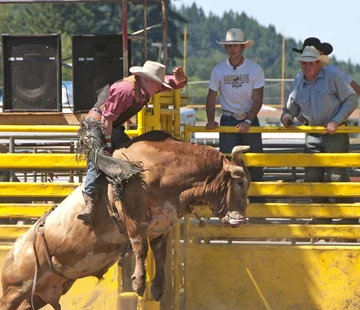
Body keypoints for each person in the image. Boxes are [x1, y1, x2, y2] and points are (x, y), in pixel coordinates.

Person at [77, 60, 188, 225]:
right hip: (97, 124)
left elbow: (175, 83)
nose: (160, 88)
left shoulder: (147, 86)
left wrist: (182, 79)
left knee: (131, 155)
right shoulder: (126, 90)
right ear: (147, 80)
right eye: (158, 84)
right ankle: (90, 201)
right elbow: (106, 120)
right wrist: (108, 145)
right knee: (98, 157)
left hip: (112, 126)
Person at [280, 46, 358, 224]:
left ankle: (348, 218)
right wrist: (286, 117)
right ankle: (323, 215)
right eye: (303, 63)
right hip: (313, 134)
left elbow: (352, 98)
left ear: (318, 63)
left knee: (336, 177)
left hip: (335, 133)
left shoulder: (332, 77)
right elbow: (291, 108)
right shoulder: (299, 81)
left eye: (309, 63)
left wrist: (336, 121)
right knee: (311, 178)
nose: (306, 66)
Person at [205, 28, 265, 202]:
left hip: (249, 118)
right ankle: (229, 205)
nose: (232, 49)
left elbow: (258, 99)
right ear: (226, 48)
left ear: (242, 47)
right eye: (229, 46)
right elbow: (211, 97)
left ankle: (258, 206)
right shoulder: (218, 70)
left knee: (254, 163)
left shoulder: (255, 69)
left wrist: (248, 119)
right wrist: (210, 120)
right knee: (228, 166)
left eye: (235, 46)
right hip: (228, 119)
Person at [292, 37, 360, 97]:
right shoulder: (300, 78)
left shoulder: (335, 72)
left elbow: (356, 90)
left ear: (322, 53)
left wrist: (342, 111)